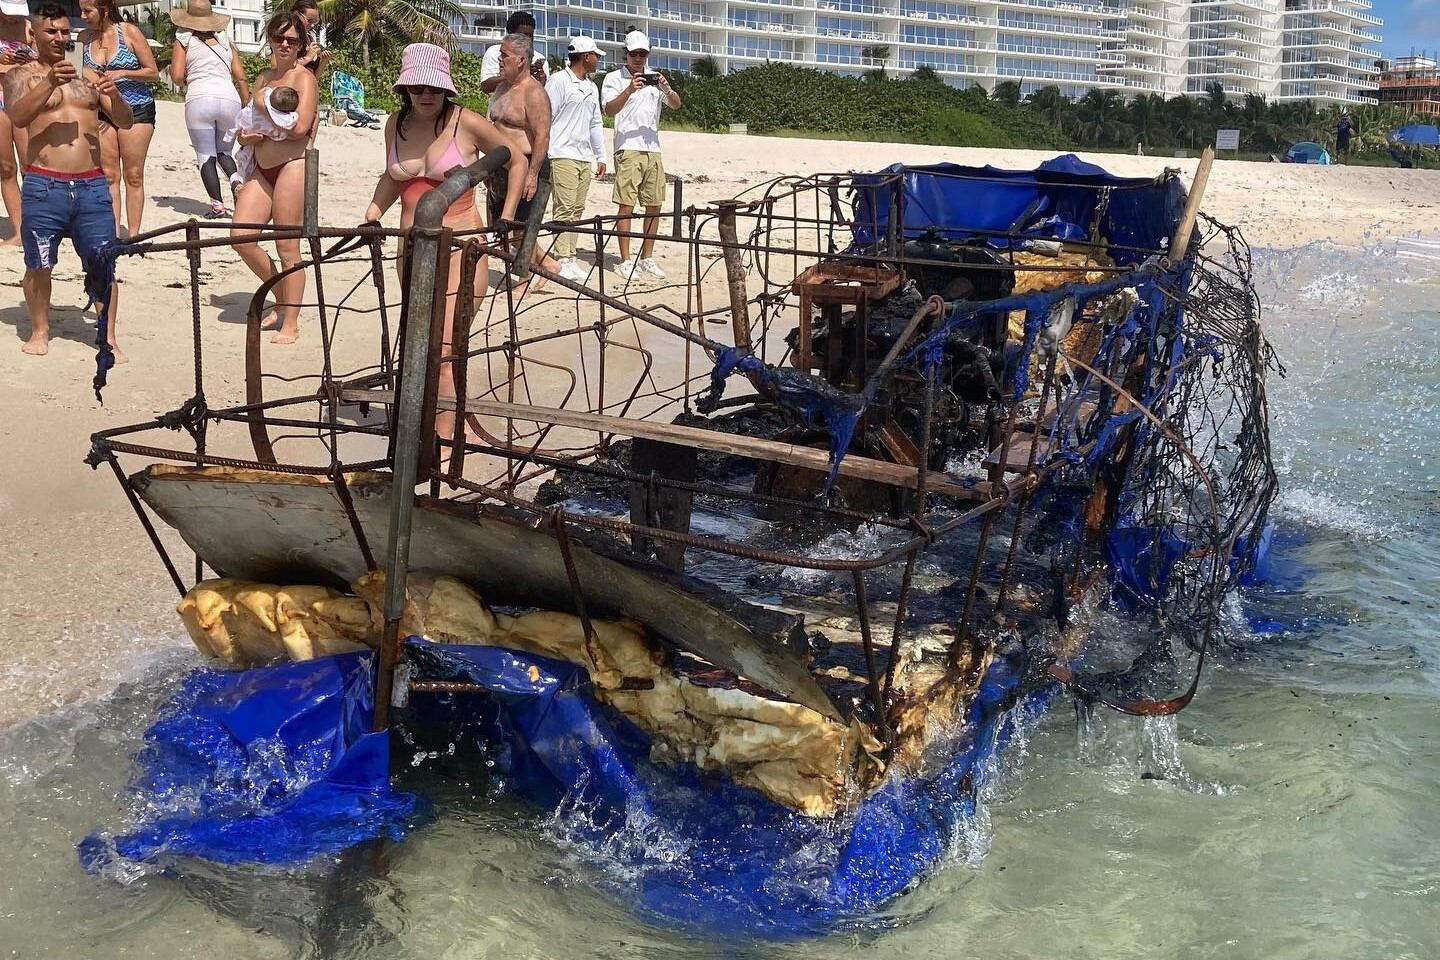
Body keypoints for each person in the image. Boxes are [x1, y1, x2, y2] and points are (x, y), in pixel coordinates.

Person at [364, 42, 528, 452]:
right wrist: (372, 213)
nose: (426, 95)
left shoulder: (466, 122)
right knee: (420, 338)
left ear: (446, 89)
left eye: (434, 88)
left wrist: (506, 216)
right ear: (405, 88)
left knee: (448, 343)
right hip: (411, 248)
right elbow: (392, 178)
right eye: (417, 87)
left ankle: (448, 436)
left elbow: (516, 159)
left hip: (462, 246)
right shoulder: (394, 124)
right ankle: (442, 422)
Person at [2, 2, 131, 360]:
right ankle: (39, 330)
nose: (60, 38)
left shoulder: (88, 75)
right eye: (51, 31)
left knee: (103, 262)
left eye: (64, 31)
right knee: (39, 263)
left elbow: (125, 121)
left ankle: (108, 337)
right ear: (34, 34)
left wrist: (115, 95)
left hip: (91, 184)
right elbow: (18, 115)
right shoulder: (19, 76)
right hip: (45, 184)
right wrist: (49, 83)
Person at [229, 8, 317, 345]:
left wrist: (263, 107)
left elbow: (301, 127)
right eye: (279, 37)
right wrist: (246, 136)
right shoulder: (263, 77)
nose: (284, 44)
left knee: (287, 246)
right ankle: (282, 296)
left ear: (300, 44)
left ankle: (290, 320)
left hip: (292, 165)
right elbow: (247, 123)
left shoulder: (303, 79)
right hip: (262, 166)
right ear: (269, 39)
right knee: (240, 236)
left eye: (291, 40)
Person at [601, 30, 679, 282]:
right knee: (626, 204)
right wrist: (629, 90)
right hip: (627, 147)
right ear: (625, 54)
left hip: (653, 148)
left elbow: (676, 104)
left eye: (642, 54)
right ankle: (625, 260)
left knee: (654, 204)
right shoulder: (613, 78)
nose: (638, 58)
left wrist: (666, 88)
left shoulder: (655, 78)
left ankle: (647, 257)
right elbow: (609, 110)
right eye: (634, 53)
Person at [78, 0, 157, 239]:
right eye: (80, 10)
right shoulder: (83, 38)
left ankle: (133, 235)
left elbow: (152, 72)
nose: (82, 16)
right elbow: (75, 71)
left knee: (133, 174)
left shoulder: (128, 32)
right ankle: (112, 234)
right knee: (109, 175)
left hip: (136, 108)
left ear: (103, 9)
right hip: (101, 110)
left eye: (87, 11)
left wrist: (122, 72)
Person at [486, 31, 556, 289]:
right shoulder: (502, 87)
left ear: (521, 60)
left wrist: (532, 174)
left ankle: (524, 279)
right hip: (500, 167)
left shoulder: (534, 93)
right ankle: (547, 264)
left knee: (520, 228)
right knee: (500, 227)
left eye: (505, 55)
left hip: (527, 164)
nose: (500, 60)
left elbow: (542, 136)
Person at [171, 0, 249, 219]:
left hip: (200, 99)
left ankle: (217, 206)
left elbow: (176, 76)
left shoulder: (183, 40)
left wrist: (188, 78)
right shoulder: (225, 41)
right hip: (229, 99)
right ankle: (236, 182)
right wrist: (246, 105)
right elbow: (241, 77)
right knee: (224, 152)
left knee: (205, 155)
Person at [545, 35, 606, 283]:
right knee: (564, 206)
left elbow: (595, 123)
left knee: (577, 208)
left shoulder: (591, 87)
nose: (598, 60)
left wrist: (601, 155)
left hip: (583, 155)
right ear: (586, 57)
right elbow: (546, 116)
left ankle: (569, 255)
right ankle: (562, 257)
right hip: (561, 152)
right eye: (595, 56)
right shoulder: (559, 81)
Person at [0, 0, 36, 247]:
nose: (13, 18)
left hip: (22, 96)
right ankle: (18, 229)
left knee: (29, 165)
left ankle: (37, 225)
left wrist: (28, 58)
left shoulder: (29, 27)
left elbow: (47, 61)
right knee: (6, 168)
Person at [233, 84, 299, 179]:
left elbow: (299, 132)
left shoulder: (265, 93)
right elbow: (285, 132)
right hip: (264, 163)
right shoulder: (284, 119)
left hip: (280, 164)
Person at [480, 10, 547, 94]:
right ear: (510, 33)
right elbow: (486, 86)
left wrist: (540, 82)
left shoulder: (539, 58)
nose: (528, 39)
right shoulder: (494, 52)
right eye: (523, 35)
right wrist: (515, 75)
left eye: (530, 35)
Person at [291, 0, 331, 77]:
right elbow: (278, 69)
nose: (312, 25)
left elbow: (314, 77)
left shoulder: (309, 39)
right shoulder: (286, 40)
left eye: (315, 21)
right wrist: (307, 58)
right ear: (297, 15)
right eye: (309, 20)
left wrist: (324, 60)